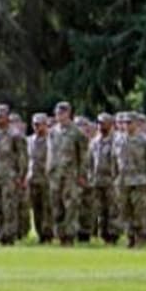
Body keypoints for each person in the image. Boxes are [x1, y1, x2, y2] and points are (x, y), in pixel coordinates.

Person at [114, 112, 146, 248]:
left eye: (129, 123)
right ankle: (130, 236)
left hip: (140, 180)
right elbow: (114, 160)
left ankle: (141, 235)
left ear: (136, 124)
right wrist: (114, 177)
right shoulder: (118, 140)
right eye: (125, 123)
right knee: (125, 209)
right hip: (123, 180)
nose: (126, 125)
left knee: (139, 209)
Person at [47, 102, 88, 247]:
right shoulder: (52, 132)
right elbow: (50, 153)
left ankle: (69, 236)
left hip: (71, 175)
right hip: (55, 175)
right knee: (56, 206)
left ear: (69, 113)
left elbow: (83, 156)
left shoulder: (77, 133)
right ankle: (60, 234)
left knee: (70, 206)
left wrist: (82, 175)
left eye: (63, 113)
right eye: (58, 113)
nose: (60, 115)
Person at [0, 105, 25, 245]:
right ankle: (0, 235)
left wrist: (20, 175)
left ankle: (10, 235)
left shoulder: (15, 135)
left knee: (9, 207)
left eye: (0, 116)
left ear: (7, 117)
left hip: (9, 176)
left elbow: (22, 157)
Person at [88, 113, 120, 245]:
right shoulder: (94, 142)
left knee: (112, 209)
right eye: (99, 123)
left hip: (111, 180)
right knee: (100, 209)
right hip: (97, 180)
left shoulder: (116, 141)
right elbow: (90, 161)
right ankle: (103, 234)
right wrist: (90, 176)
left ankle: (113, 235)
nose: (100, 126)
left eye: (103, 123)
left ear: (111, 124)